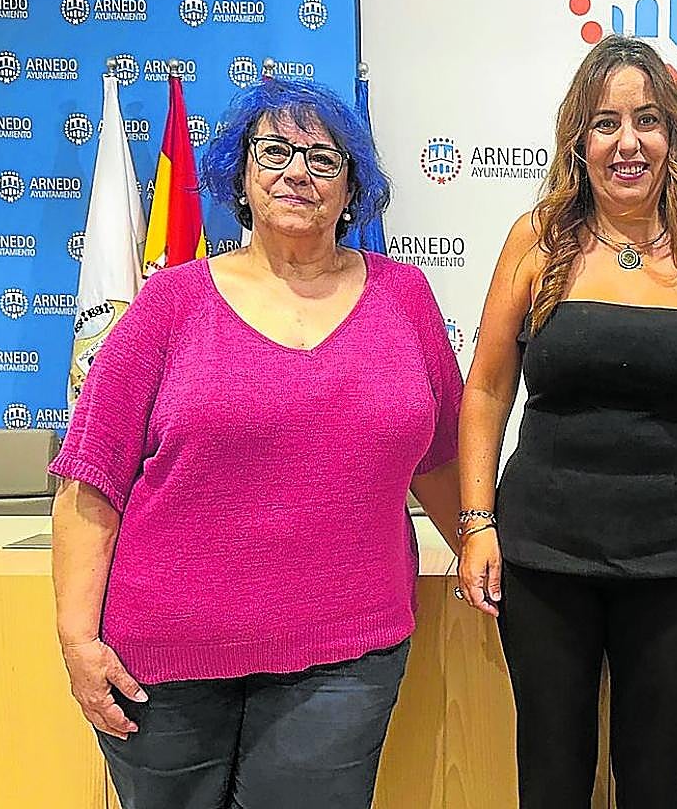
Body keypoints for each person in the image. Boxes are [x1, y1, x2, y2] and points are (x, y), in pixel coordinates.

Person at [49, 78, 463, 809]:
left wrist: (486, 550)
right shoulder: (169, 303)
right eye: (274, 152)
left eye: (323, 158)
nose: (297, 172)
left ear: (352, 187)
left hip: (345, 653)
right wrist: (79, 641)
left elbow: (442, 460)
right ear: (240, 174)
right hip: (164, 663)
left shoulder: (405, 298)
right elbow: (92, 480)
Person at [456, 35, 677, 809]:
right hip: (543, 557)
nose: (628, 142)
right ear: (579, 141)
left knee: (655, 781)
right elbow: (486, 390)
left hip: (674, 561)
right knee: (553, 778)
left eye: (647, 120)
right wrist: (477, 522)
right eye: (606, 123)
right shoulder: (537, 239)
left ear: (672, 136)